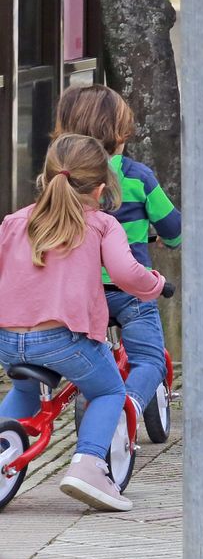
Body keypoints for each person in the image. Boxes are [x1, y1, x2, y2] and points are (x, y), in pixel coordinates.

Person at [0, 134, 165, 512]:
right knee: (108, 390)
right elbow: (125, 274)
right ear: (101, 188)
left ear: (46, 177)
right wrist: (153, 284)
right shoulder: (101, 224)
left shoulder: (13, 221)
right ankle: (88, 465)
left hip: (9, 342)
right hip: (64, 339)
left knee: (26, 391)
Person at [52, 85, 179, 427]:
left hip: (76, 294)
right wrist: (171, 239)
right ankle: (129, 408)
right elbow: (173, 227)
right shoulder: (138, 177)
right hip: (130, 293)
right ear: (120, 134)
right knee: (149, 359)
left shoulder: (60, 179)